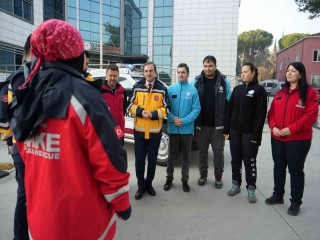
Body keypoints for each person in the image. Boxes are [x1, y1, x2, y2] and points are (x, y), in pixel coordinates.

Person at [7, 19, 131, 239]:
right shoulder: (85, 97)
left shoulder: (27, 93)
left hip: (40, 223)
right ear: (74, 53)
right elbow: (110, 161)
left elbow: (24, 151)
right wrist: (122, 204)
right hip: (82, 224)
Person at [265, 62, 318, 216]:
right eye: (287, 71)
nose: (289, 73)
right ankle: (278, 195)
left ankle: (295, 202)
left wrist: (290, 129)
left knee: (295, 171)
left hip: (298, 140)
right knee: (279, 167)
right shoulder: (281, 93)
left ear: (300, 74)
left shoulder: (309, 93)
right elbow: (272, 113)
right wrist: (274, 127)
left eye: (293, 71)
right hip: (277, 138)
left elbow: (311, 116)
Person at [225, 63, 267, 203]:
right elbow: (230, 110)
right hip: (235, 131)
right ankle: (235, 184)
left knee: (250, 161)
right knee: (235, 159)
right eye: (241, 72)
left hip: (250, 133)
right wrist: (227, 130)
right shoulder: (237, 89)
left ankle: (251, 188)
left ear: (253, 73)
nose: (242, 74)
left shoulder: (259, 90)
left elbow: (261, 115)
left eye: (245, 71)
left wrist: (256, 136)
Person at [127, 62, 169, 200]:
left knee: (152, 162)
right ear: (143, 73)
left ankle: (149, 184)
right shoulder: (137, 87)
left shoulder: (162, 89)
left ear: (155, 72)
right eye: (146, 71)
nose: (148, 73)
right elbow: (129, 107)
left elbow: (167, 109)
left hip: (155, 133)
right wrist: (140, 111)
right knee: (139, 161)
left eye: (151, 71)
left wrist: (154, 114)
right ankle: (141, 186)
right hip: (139, 132)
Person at [6, 35, 33, 240]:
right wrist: (9, 142)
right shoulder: (18, 77)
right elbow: (6, 114)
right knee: (24, 194)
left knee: (29, 192)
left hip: (32, 146)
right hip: (22, 146)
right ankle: (19, 237)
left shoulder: (35, 74)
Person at [193, 55, 231, 188]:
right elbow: (192, 102)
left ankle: (218, 177)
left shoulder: (224, 82)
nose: (208, 68)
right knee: (202, 152)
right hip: (201, 125)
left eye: (210, 66)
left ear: (215, 66)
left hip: (218, 126)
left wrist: (227, 125)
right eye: (205, 66)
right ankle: (203, 175)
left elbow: (228, 104)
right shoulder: (197, 82)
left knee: (218, 152)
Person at [163, 63, 200, 192]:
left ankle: (185, 180)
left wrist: (183, 121)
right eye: (178, 72)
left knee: (186, 157)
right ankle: (169, 179)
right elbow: (165, 108)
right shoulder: (170, 89)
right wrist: (173, 119)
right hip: (173, 129)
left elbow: (196, 109)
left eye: (183, 72)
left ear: (188, 74)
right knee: (171, 156)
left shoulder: (193, 90)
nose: (180, 74)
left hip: (187, 130)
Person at [101, 64, 127, 146]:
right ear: (106, 76)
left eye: (115, 76)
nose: (112, 78)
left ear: (118, 77)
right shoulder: (100, 91)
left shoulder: (122, 91)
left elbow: (123, 109)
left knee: (118, 156)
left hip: (119, 130)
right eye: (110, 75)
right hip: (105, 131)